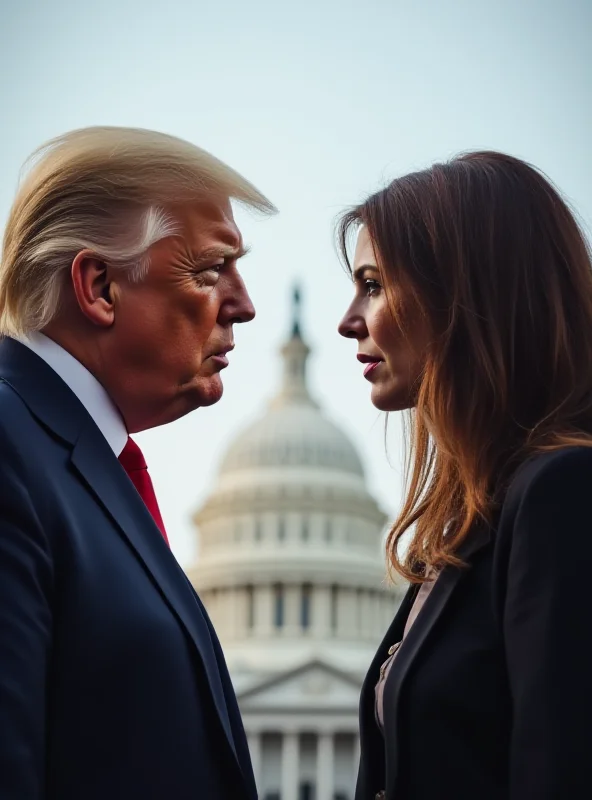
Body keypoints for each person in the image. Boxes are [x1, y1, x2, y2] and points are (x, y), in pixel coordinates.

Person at [0, 126, 275, 799]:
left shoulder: (79, 460)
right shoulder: (10, 444)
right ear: (99, 286)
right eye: (211, 270)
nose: (243, 305)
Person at [337, 152, 592, 800]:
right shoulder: (472, 523)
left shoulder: (561, 493)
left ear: (462, 294)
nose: (349, 321)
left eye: (372, 284)